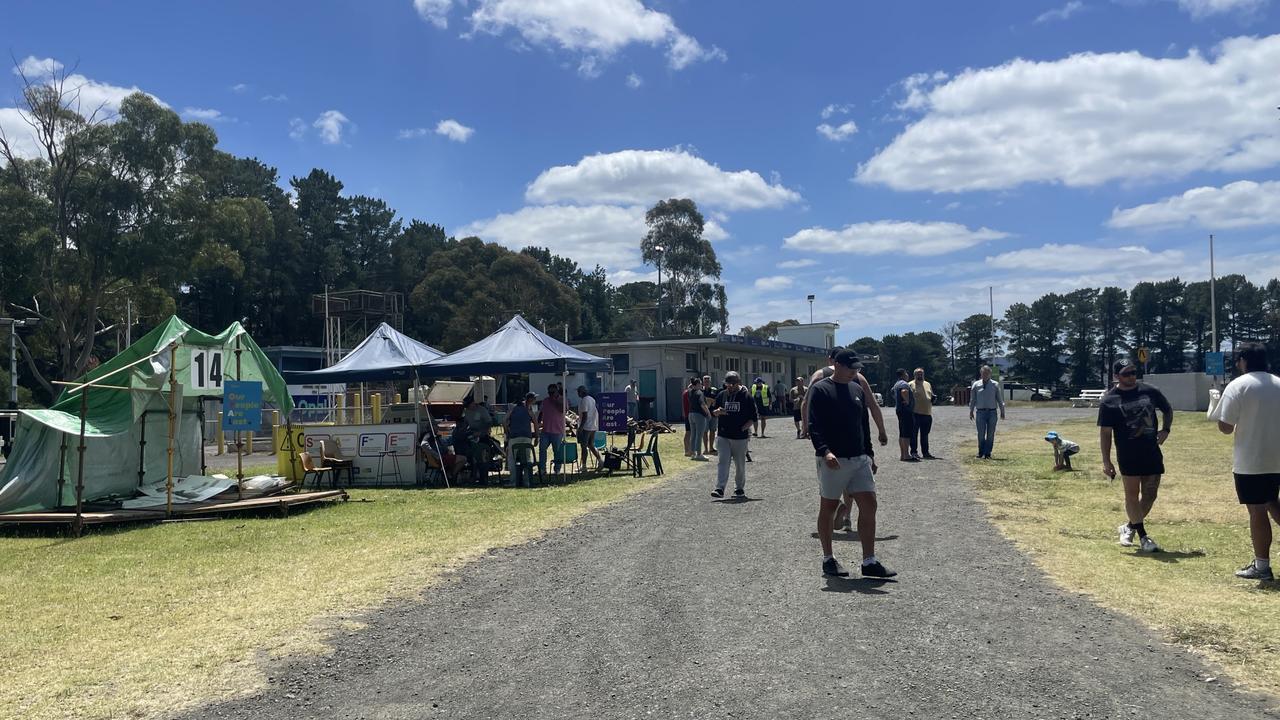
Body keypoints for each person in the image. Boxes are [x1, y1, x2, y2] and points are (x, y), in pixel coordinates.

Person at [808, 349, 894, 579]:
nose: (854, 372)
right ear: (836, 365)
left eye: (857, 368)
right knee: (828, 507)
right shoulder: (820, 389)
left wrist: (870, 453)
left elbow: (863, 424)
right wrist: (824, 452)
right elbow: (814, 425)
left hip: (859, 459)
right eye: (850, 368)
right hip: (833, 460)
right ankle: (828, 559)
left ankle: (869, 561)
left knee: (870, 503)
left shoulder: (857, 388)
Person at [1210, 342, 1280, 581]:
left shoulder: (1238, 386)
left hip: (1252, 459)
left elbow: (1226, 427)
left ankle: (1262, 565)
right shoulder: (1278, 383)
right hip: (1277, 456)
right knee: (1272, 501)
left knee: (1257, 510)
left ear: (1242, 360)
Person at [1098, 358, 1173, 554]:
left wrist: (1166, 429)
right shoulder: (1109, 401)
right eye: (1126, 374)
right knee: (1131, 495)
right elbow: (1105, 433)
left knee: (1150, 495)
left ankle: (1129, 527)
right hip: (1128, 454)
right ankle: (1143, 536)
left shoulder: (1149, 391)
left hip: (1151, 452)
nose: (1131, 377)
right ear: (1116, 377)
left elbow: (1167, 409)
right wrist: (1106, 460)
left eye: (1133, 372)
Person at [801, 346, 888, 448]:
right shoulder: (859, 377)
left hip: (829, 432)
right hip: (855, 432)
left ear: (830, 359)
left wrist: (805, 426)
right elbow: (873, 405)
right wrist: (881, 430)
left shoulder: (819, 375)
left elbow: (806, 402)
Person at [710, 370, 757, 497]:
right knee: (723, 461)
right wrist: (717, 412)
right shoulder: (721, 395)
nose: (730, 387)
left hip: (740, 437)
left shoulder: (746, 396)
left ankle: (739, 488)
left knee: (740, 464)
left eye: (733, 384)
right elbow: (712, 411)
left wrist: (744, 428)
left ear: (738, 383)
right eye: (728, 384)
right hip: (723, 435)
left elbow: (753, 417)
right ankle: (719, 488)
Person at [968, 365, 1006, 459]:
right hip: (980, 412)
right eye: (983, 373)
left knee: (990, 434)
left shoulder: (995, 384)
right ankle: (980, 452)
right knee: (981, 434)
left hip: (992, 412)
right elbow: (973, 399)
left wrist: (1002, 411)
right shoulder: (976, 384)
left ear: (990, 374)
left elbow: (999, 399)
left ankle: (988, 453)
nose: (985, 375)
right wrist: (971, 410)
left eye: (987, 373)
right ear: (981, 373)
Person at [504, 393, 537, 486]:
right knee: (527, 459)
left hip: (514, 437)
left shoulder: (512, 409)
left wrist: (507, 432)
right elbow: (535, 422)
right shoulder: (528, 410)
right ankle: (527, 481)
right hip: (527, 437)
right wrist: (537, 436)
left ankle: (513, 481)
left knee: (511, 459)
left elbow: (504, 421)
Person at [538, 384, 566, 478]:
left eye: (552, 392)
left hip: (557, 431)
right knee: (542, 449)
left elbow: (563, 410)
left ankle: (557, 469)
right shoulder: (545, 400)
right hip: (545, 430)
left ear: (557, 391)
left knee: (557, 451)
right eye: (549, 392)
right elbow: (541, 412)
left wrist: (555, 401)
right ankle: (542, 469)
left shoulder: (562, 399)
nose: (550, 394)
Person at [891, 368, 918, 462]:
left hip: (899, 410)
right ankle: (906, 455)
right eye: (906, 373)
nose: (907, 375)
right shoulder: (903, 383)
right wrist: (907, 401)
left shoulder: (896, 384)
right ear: (903, 374)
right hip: (906, 411)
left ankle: (903, 454)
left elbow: (892, 393)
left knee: (902, 433)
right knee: (907, 433)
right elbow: (904, 391)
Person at [910, 368, 936, 459]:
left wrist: (933, 398)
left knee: (925, 435)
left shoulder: (927, 384)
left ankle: (925, 452)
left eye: (921, 374)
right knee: (914, 434)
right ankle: (913, 452)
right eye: (918, 374)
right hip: (915, 413)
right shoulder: (910, 384)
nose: (920, 375)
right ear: (915, 375)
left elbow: (931, 394)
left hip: (927, 413)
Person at [575, 386, 602, 470]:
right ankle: (600, 461)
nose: (577, 393)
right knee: (591, 445)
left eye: (578, 392)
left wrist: (580, 427)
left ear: (581, 392)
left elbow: (585, 416)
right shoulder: (592, 399)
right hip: (593, 425)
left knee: (584, 446)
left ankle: (583, 465)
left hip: (587, 426)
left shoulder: (584, 401)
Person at [687, 377, 710, 462]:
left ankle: (693, 453)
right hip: (699, 415)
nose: (702, 385)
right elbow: (702, 404)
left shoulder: (690, 392)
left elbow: (688, 387)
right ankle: (699, 454)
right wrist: (708, 413)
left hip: (691, 414)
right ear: (697, 385)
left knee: (693, 434)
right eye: (700, 383)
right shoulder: (699, 393)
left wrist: (692, 384)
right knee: (699, 435)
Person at [702, 375, 719, 456]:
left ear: (710, 382)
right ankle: (705, 449)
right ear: (703, 382)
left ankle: (711, 448)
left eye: (708, 381)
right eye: (705, 381)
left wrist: (710, 400)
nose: (707, 383)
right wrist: (709, 400)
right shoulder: (701, 390)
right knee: (704, 431)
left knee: (712, 431)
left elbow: (716, 400)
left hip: (713, 414)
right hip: (704, 414)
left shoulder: (714, 390)